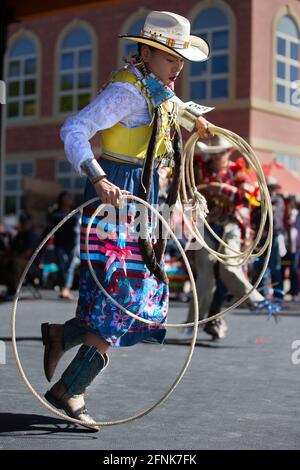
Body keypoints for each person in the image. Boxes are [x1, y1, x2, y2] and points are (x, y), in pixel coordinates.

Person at [41, 11, 212, 431]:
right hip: (114, 196)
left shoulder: (155, 88)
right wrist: (98, 178)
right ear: (149, 52)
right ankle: (70, 390)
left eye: (181, 59)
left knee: (140, 296)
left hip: (141, 199)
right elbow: (75, 128)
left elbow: (173, 108)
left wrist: (196, 122)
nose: (179, 67)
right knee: (126, 298)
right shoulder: (127, 91)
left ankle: (63, 336)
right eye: (172, 57)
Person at [185, 135, 265, 340]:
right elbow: (185, 188)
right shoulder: (198, 169)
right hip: (206, 226)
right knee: (204, 275)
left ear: (229, 152)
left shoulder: (238, 172)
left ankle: (252, 300)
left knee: (228, 269)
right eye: (214, 153)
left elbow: (249, 196)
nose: (217, 156)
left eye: (221, 152)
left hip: (231, 225)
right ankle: (199, 320)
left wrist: (220, 188)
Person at [49, 191, 80, 300]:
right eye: (65, 198)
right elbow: (51, 226)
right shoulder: (56, 213)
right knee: (62, 266)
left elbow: (77, 223)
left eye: (69, 198)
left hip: (73, 242)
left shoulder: (76, 211)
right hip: (60, 243)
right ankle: (64, 287)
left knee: (70, 266)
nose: (67, 200)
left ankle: (66, 288)